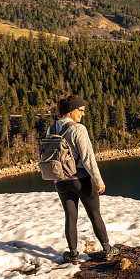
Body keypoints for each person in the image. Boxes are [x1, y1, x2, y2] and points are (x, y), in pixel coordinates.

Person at [49, 94, 119, 264]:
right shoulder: (78, 129)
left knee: (70, 217)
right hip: (81, 180)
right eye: (80, 110)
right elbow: (88, 158)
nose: (83, 114)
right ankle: (108, 250)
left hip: (61, 182)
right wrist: (99, 180)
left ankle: (73, 255)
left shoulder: (51, 129)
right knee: (95, 215)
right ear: (71, 111)